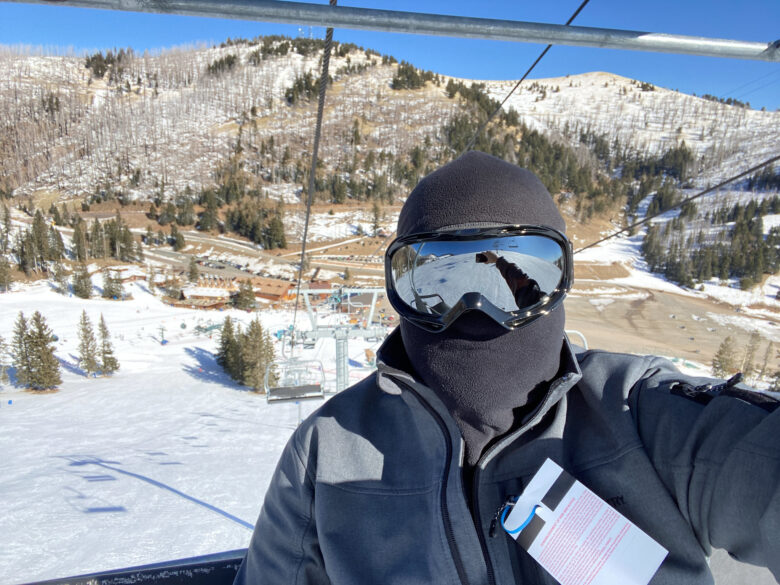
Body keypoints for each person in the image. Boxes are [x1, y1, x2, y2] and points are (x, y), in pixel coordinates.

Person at [234, 151, 779, 584]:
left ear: (558, 282)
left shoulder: (639, 412)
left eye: (518, 284)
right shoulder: (327, 450)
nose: (475, 312)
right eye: (437, 283)